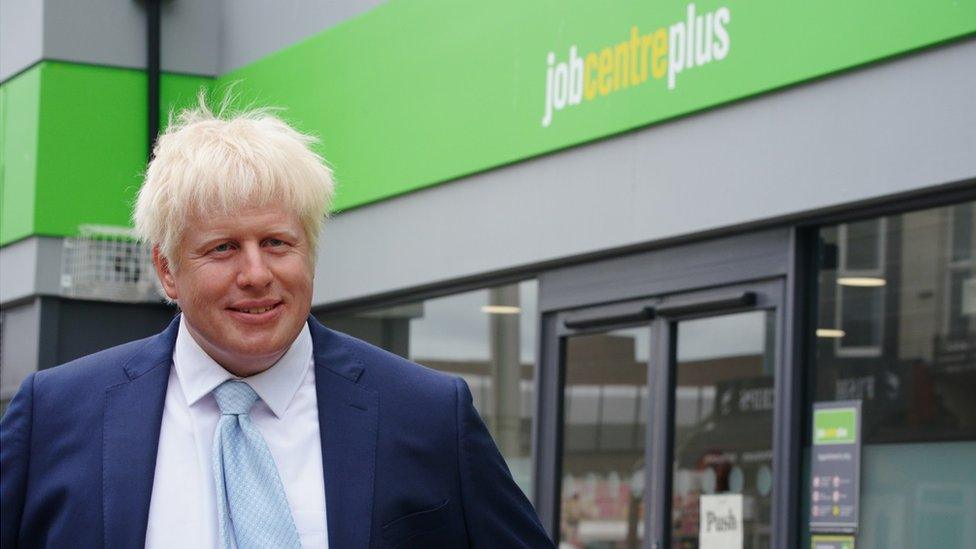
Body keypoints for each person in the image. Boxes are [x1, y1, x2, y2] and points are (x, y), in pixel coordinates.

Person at [0, 101, 554, 548]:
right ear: (167, 270)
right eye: (222, 249)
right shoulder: (55, 417)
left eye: (276, 243)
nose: (256, 273)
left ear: (309, 252)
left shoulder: (428, 414)